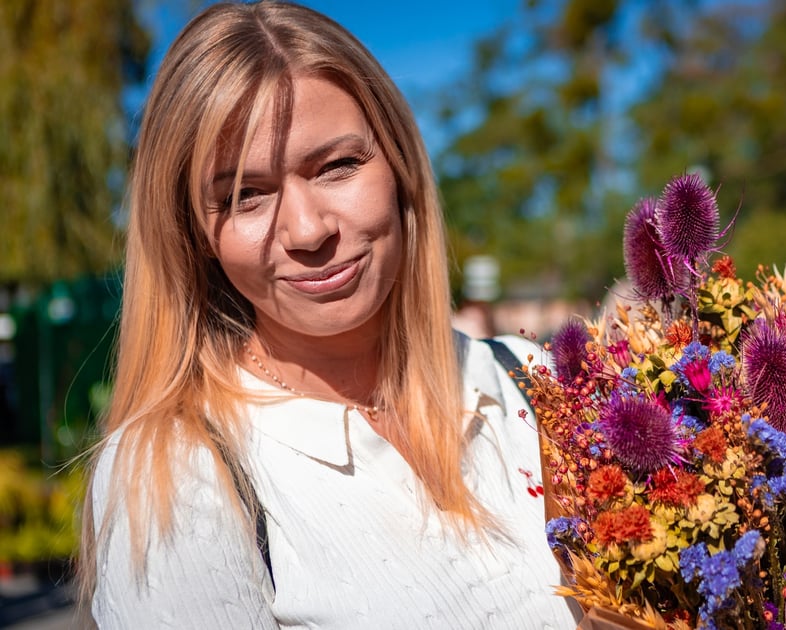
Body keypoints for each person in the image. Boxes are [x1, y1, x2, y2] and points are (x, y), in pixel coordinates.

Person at [77, 2, 577, 628]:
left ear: (398, 163)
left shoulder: (539, 383)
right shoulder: (179, 476)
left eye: (337, 166)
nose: (308, 231)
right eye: (245, 196)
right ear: (194, 235)